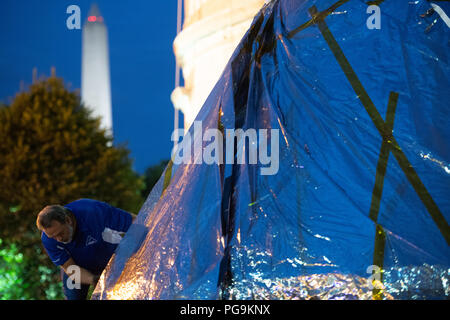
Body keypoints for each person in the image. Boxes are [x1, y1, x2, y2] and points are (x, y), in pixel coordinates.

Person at [36, 198, 136, 300]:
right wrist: (93, 279)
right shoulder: (48, 240)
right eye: (53, 237)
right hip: (77, 269)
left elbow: (133, 222)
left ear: (68, 220)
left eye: (60, 233)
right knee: (73, 296)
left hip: (107, 254)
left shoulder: (92, 211)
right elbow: (70, 268)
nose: (59, 239)